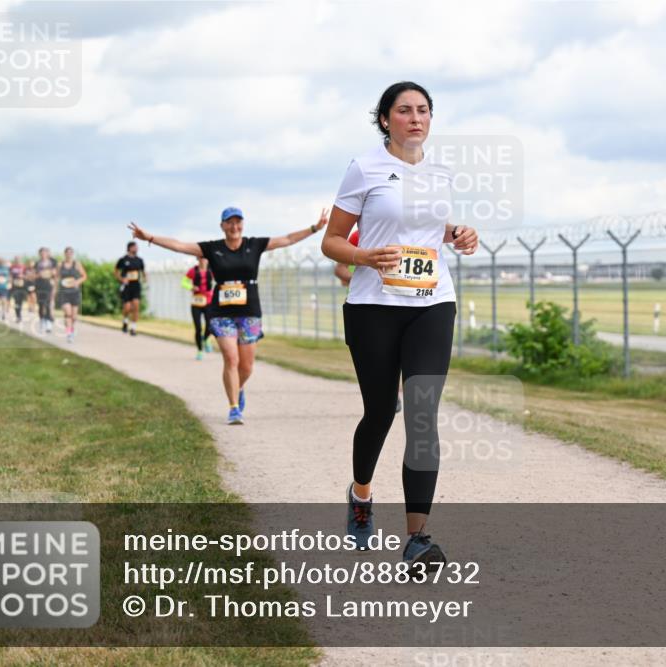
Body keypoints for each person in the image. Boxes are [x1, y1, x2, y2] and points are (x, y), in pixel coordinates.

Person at [321, 81, 478, 570]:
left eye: (424, 110)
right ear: (385, 119)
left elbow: (431, 226)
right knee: (380, 412)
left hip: (433, 301)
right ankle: (362, 493)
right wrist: (363, 255)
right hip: (373, 305)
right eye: (405, 110)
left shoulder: (441, 171)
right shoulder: (364, 167)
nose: (416, 117)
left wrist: (458, 232)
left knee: (422, 414)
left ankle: (417, 538)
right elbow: (331, 242)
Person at [127, 205, 328, 424]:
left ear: (242, 224)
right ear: (222, 226)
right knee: (231, 358)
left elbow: (287, 239)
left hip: (249, 312)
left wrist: (315, 228)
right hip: (221, 312)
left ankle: (239, 387)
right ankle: (233, 408)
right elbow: (179, 246)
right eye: (229, 222)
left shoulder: (254, 245)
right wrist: (150, 237)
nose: (234, 226)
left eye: (237, 222)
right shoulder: (212, 249)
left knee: (246, 366)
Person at [334, 228, 403, 414]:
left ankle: (394, 394)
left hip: (401, 301)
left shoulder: (409, 234)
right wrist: (358, 279)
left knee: (401, 352)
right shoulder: (359, 235)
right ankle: (386, 396)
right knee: (382, 356)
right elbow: (339, 268)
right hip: (367, 304)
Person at [184, 257, 215, 360]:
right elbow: (183, 282)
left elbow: (220, 280)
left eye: (205, 258)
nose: (203, 260)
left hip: (209, 302)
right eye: (201, 258)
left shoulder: (212, 270)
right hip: (196, 302)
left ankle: (206, 339)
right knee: (198, 328)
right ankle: (200, 350)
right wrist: (191, 287)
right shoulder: (193, 271)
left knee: (210, 325)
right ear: (198, 259)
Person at [55, 247, 87, 343]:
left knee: (74, 316)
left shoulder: (76, 264)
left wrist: (78, 282)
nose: (69, 254)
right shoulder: (60, 264)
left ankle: (71, 330)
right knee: (68, 314)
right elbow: (57, 278)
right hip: (64, 292)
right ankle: (69, 333)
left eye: (71, 253)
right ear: (64, 254)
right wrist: (56, 290)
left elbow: (84, 276)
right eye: (67, 253)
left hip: (74, 292)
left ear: (72, 254)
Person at [116, 242, 145, 336]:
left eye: (137, 247)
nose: (137, 249)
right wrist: (121, 279)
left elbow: (142, 271)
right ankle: (125, 321)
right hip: (127, 286)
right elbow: (116, 272)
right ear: (129, 248)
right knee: (127, 307)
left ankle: (133, 328)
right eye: (135, 247)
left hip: (136, 285)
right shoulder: (123, 260)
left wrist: (145, 278)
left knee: (136, 306)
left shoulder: (139, 260)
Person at [35, 248, 56, 333]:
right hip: (39, 285)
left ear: (47, 254)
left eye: (45, 253)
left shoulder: (52, 263)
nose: (43, 254)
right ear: (39, 254)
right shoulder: (37, 263)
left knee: (47, 304)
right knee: (40, 305)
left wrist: (55, 286)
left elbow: (56, 275)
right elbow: (33, 275)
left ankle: (48, 323)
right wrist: (39, 275)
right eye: (42, 253)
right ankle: (42, 321)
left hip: (48, 286)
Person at [9, 257, 28, 323]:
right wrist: (10, 283)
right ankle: (18, 315)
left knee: (20, 301)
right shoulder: (12, 267)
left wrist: (23, 276)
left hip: (22, 287)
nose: (17, 261)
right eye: (16, 259)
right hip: (15, 287)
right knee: (16, 302)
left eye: (19, 259)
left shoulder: (24, 267)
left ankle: (19, 313)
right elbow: (10, 276)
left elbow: (27, 276)